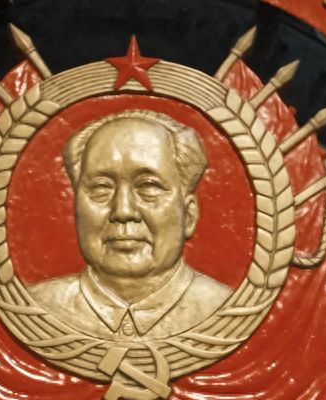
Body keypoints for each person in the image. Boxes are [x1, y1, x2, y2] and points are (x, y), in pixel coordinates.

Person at [28, 109, 233, 345]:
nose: (123, 211)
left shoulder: (228, 313)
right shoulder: (33, 311)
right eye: (101, 187)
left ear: (188, 215)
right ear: (75, 209)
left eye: (148, 186)